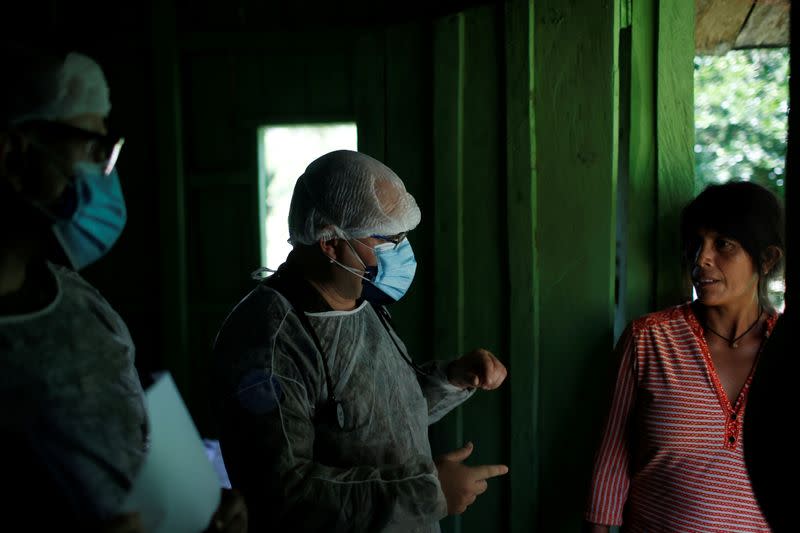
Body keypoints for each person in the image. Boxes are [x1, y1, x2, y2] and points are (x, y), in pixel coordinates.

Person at [0, 44, 246, 532]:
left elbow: (130, 445)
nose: (105, 170)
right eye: (92, 148)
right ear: (12, 155)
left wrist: (199, 504)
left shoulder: (80, 302)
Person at [212, 149, 509, 532]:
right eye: (387, 239)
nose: (401, 252)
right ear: (330, 242)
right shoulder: (268, 340)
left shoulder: (357, 300)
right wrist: (427, 494)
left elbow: (372, 415)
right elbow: (281, 493)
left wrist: (452, 378)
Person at [585, 181, 785, 532]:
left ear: (767, 259)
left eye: (723, 244)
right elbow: (610, 465)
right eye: (696, 243)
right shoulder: (649, 339)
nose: (701, 258)